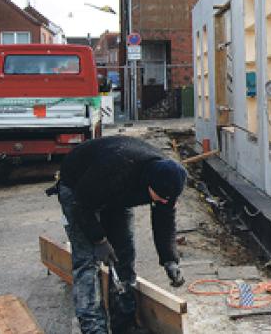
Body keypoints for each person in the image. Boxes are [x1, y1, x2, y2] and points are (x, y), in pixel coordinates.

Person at [54, 136, 187, 334]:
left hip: (117, 194)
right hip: (78, 191)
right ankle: (93, 328)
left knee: (124, 255)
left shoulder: (167, 179)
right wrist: (99, 240)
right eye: (160, 198)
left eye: (168, 200)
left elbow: (164, 220)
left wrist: (170, 260)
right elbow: (81, 207)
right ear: (149, 184)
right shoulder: (116, 169)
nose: (164, 202)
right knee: (87, 262)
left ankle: (124, 324)